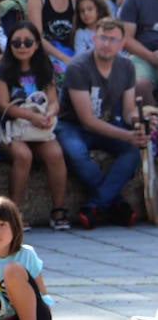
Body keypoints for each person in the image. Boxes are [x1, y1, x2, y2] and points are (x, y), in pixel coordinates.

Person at [55, 17, 144, 229]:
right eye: (103, 38)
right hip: (73, 125)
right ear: (94, 39)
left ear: (122, 44)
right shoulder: (78, 66)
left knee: (133, 149)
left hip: (106, 123)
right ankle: (116, 204)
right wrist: (126, 134)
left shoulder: (127, 66)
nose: (107, 44)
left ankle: (96, 204)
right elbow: (87, 119)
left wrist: (138, 121)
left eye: (113, 40)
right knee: (76, 153)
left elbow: (129, 109)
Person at [0, 21, 68, 229]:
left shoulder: (44, 68)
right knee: (23, 155)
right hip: (7, 129)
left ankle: (58, 208)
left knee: (55, 153)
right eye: (16, 42)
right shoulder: (0, 71)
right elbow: (4, 105)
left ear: (36, 44)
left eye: (27, 42)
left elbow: (53, 101)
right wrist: (32, 117)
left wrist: (48, 115)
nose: (22, 46)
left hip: (38, 129)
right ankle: (14, 212)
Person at [25, 0, 84, 73]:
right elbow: (37, 37)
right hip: (43, 52)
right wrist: (63, 58)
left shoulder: (75, 1)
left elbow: (77, 36)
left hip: (68, 51)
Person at [118, 0, 158, 105]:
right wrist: (151, 56)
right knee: (139, 85)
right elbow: (126, 39)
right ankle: (152, 121)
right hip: (142, 55)